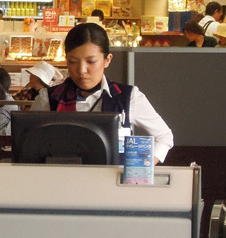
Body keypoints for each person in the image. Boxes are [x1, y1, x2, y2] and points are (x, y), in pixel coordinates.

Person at [32, 22, 174, 163]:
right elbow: (29, 144)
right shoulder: (49, 98)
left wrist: (141, 167)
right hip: (61, 181)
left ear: (107, 60)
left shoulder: (127, 97)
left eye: (91, 61)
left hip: (112, 183)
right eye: (73, 61)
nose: (82, 70)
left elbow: (164, 137)